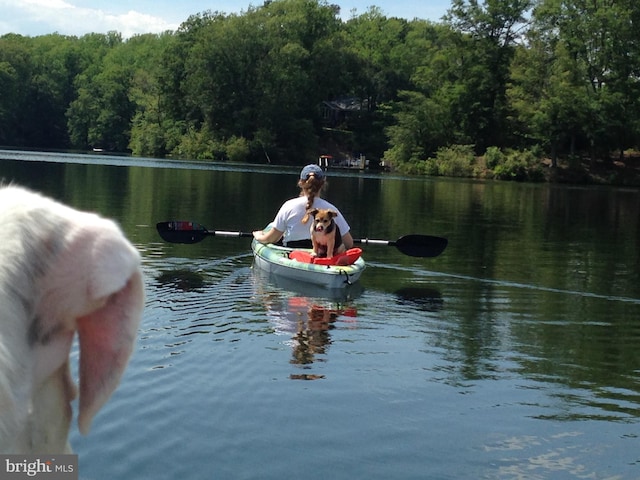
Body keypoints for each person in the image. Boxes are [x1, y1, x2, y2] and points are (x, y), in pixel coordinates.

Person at [253, 164, 354, 249]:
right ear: (323, 184)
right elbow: (349, 243)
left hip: (293, 256)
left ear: (301, 183)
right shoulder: (331, 210)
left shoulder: (288, 206)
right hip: (320, 257)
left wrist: (258, 236)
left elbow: (271, 239)